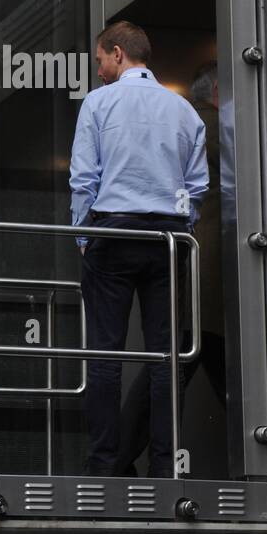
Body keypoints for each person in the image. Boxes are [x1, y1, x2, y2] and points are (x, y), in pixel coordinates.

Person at [69, 22, 208, 477]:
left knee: (106, 355)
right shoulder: (184, 110)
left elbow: (84, 179)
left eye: (100, 61)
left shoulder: (99, 102)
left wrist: (84, 238)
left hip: (115, 232)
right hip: (168, 240)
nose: (100, 69)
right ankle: (165, 466)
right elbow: (197, 186)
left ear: (117, 53)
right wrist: (181, 226)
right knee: (166, 357)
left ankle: (105, 464)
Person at [113, 59, 228, 476]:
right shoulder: (208, 126)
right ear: (218, 93)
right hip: (204, 268)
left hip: (190, 266)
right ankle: (119, 460)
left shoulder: (178, 124)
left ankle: (119, 460)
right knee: (181, 361)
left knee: (192, 360)